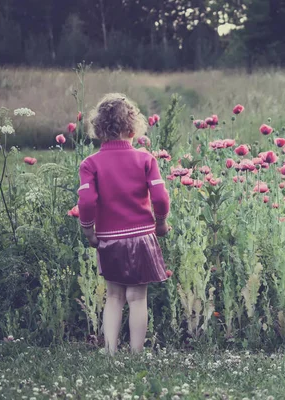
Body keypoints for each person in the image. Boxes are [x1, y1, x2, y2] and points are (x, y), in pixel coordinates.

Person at [77, 93, 171, 355]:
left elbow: (86, 201)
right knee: (138, 298)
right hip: (142, 236)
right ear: (133, 127)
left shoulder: (90, 164)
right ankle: (137, 352)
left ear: (98, 129)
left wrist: (88, 230)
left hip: (109, 239)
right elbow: (161, 197)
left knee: (114, 297)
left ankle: (109, 349)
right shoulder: (145, 159)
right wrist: (161, 223)